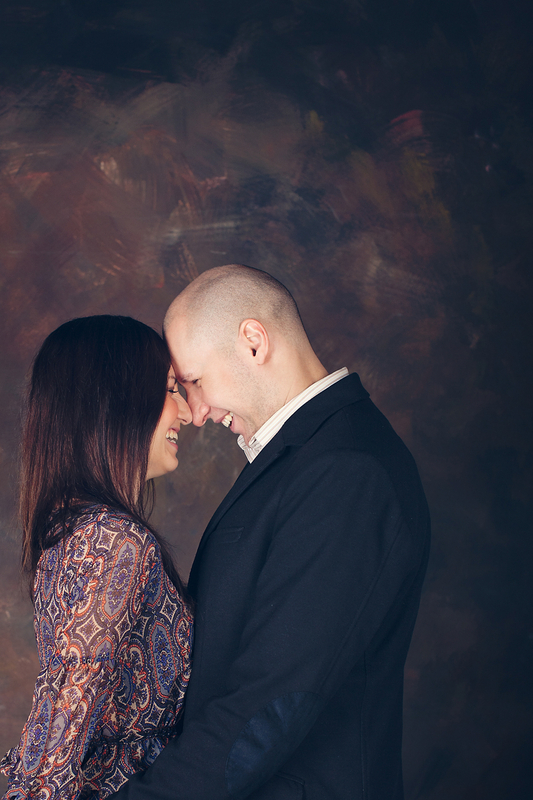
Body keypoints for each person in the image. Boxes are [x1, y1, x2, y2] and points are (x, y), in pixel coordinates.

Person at [111, 265, 431, 800]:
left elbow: (270, 705)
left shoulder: (347, 469)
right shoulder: (312, 457)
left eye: (195, 381)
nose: (196, 412)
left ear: (254, 342)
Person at [1, 316, 194, 800]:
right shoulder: (115, 541)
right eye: (170, 389)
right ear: (117, 401)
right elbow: (70, 697)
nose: (188, 412)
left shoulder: (70, 530)